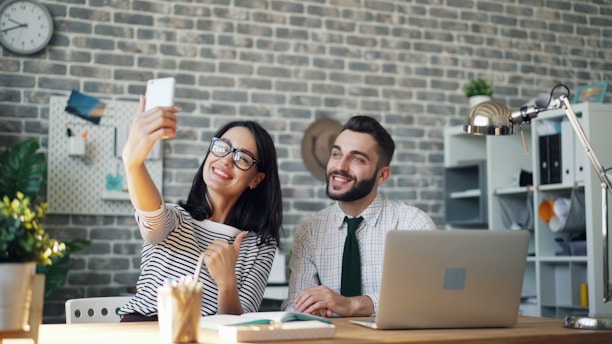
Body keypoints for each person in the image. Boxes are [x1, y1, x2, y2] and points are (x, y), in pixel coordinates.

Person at [118, 95, 283, 321]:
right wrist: (133, 163)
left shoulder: (258, 245)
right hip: (142, 331)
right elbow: (152, 216)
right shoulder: (177, 219)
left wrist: (227, 283)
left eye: (242, 158)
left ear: (256, 179)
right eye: (222, 147)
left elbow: (239, 326)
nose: (226, 160)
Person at [282, 115, 436, 317]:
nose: (340, 166)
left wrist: (354, 305)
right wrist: (307, 310)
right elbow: (295, 306)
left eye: (357, 159)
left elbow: (429, 296)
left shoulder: (413, 224)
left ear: (382, 175)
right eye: (336, 154)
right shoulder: (310, 231)